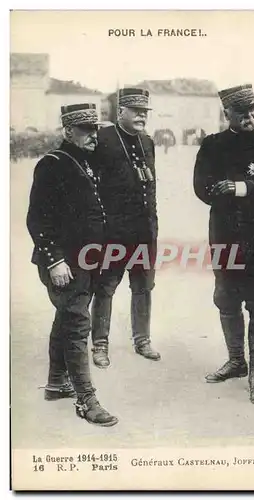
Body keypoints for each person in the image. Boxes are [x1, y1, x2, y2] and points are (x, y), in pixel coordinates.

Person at [193, 84, 254, 404]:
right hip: (225, 236)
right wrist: (215, 190)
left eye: (253, 112)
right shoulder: (211, 145)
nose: (250, 118)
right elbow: (201, 187)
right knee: (227, 299)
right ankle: (236, 361)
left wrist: (240, 187)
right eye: (242, 113)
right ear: (227, 115)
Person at [27, 103, 118, 427]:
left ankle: (56, 382)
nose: (94, 135)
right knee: (78, 323)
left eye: (96, 129)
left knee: (67, 316)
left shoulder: (86, 161)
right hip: (64, 262)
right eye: (86, 130)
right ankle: (86, 399)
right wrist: (55, 261)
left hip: (87, 259)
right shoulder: (52, 165)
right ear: (68, 131)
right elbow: (37, 220)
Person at [91, 88, 160, 367]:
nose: (142, 116)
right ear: (121, 112)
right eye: (136, 111)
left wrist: (153, 227)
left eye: (145, 112)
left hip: (144, 231)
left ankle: (142, 339)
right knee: (106, 287)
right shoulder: (103, 138)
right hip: (114, 232)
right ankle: (99, 343)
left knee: (143, 286)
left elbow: (151, 186)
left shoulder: (148, 141)